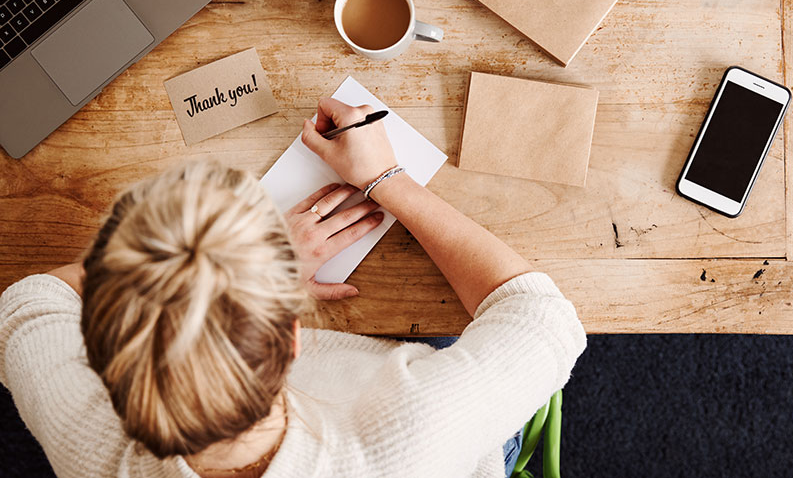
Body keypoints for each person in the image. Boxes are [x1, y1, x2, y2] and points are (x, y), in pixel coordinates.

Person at [0, 99, 587, 478]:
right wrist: (386, 178)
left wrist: (241, 271)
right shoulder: (415, 429)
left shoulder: (87, 440)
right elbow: (544, 317)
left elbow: (24, 308)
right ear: (291, 337)